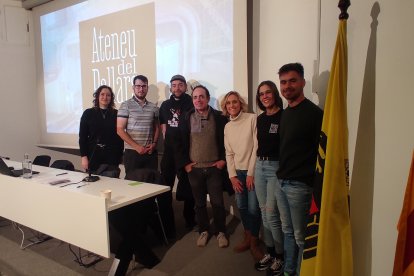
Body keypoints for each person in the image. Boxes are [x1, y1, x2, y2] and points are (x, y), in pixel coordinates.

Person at [276, 63, 323, 276]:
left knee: (301, 237)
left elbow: (321, 153)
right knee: (287, 232)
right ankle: (289, 271)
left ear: (303, 82)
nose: (287, 86)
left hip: (300, 186)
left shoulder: (314, 114)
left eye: (292, 81)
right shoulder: (285, 113)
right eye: (283, 82)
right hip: (282, 181)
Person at [178, 85, 229, 248]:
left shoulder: (219, 117)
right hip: (195, 169)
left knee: (217, 203)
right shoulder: (186, 117)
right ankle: (204, 231)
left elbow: (227, 141)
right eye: (195, 97)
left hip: (214, 168)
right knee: (199, 203)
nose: (198, 100)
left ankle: (221, 231)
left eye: (201, 97)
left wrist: (222, 160)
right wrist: (186, 164)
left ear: (207, 98)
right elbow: (179, 143)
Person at [221, 91, 263, 261]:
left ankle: (254, 241)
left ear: (240, 103)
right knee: (242, 206)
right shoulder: (227, 127)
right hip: (237, 172)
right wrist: (232, 176)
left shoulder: (252, 119)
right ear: (225, 107)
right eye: (228, 103)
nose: (232, 105)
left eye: (235, 102)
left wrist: (251, 173)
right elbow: (229, 153)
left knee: (254, 208)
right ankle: (247, 237)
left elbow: (256, 148)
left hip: (252, 171)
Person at [253, 81, 285, 276]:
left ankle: (280, 257)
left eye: (268, 92)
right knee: (264, 213)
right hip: (259, 166)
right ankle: (270, 253)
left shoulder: (285, 116)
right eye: (261, 94)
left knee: (272, 214)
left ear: (274, 94)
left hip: (275, 168)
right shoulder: (261, 118)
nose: (265, 96)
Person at [159, 74, 196, 236]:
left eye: (180, 85)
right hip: (169, 152)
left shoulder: (191, 102)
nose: (177, 88)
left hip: (186, 151)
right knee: (165, 186)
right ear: (170, 87)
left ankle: (190, 219)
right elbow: (163, 127)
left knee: (188, 187)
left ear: (185, 86)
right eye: (174, 85)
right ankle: (166, 220)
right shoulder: (165, 105)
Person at [117, 75, 159, 174]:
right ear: (133, 88)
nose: (141, 89)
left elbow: (156, 127)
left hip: (150, 152)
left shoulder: (154, 107)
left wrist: (154, 144)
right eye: (138, 86)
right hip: (132, 153)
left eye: (144, 86)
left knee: (151, 183)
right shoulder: (125, 105)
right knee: (133, 184)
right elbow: (119, 129)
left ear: (147, 88)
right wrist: (136, 147)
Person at [79, 85, 124, 177]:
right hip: (93, 156)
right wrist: (84, 157)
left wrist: (119, 156)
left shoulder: (117, 114)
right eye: (102, 94)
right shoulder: (88, 113)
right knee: (93, 188)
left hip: (111, 158)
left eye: (108, 95)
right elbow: (82, 137)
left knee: (112, 187)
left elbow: (120, 137)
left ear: (111, 98)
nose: (105, 97)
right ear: (97, 96)